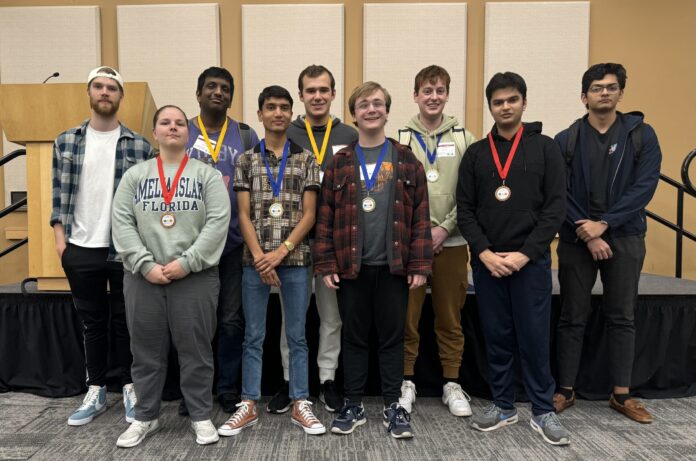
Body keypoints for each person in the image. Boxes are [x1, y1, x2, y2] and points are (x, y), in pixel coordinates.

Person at [456, 72, 570, 445]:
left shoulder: (546, 148)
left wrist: (524, 255)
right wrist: (485, 254)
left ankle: (542, 411)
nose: (505, 107)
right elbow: (466, 210)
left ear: (523, 102)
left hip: (530, 263)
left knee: (535, 337)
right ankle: (503, 406)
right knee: (498, 336)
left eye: (512, 100)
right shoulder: (476, 153)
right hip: (488, 264)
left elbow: (555, 209)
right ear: (490, 106)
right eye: (498, 101)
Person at [314, 81, 432, 439]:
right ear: (354, 114)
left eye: (378, 103)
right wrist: (326, 264)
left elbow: (421, 216)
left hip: (394, 266)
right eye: (363, 104)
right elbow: (325, 216)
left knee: (392, 338)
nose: (371, 109)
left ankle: (394, 405)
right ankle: (353, 404)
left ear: (386, 110)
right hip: (352, 267)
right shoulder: (340, 161)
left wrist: (420, 265)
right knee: (354, 337)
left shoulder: (406, 158)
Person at [112, 105, 230, 447]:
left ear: (188, 133)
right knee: (145, 352)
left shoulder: (205, 175)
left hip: (194, 277)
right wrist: (145, 263)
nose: (173, 127)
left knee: (196, 351)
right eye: (166, 122)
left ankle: (200, 416)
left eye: (180, 123)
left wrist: (188, 262)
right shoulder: (135, 176)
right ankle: (145, 417)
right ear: (155, 133)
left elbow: (218, 223)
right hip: (142, 278)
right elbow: (121, 222)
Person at [553, 63, 661, 423]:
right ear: (584, 96)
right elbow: (558, 192)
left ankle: (622, 395)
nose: (604, 93)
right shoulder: (566, 139)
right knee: (571, 316)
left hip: (625, 236)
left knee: (622, 316)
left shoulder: (642, 135)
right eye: (597, 88)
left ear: (620, 93)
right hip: (575, 237)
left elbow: (644, 188)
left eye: (611, 87)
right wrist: (586, 229)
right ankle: (565, 390)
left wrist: (605, 224)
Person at [217, 86, 325, 436]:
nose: (277, 113)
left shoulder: (306, 159)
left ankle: (300, 401)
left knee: (297, 335)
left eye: (283, 108)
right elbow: (243, 215)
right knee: (254, 335)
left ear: (291, 114)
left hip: (295, 260)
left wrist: (281, 252)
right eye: (270, 107)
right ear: (261, 115)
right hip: (254, 262)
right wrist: (262, 258)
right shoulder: (246, 160)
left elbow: (310, 214)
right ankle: (248, 403)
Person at [51, 66, 153, 426]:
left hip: (124, 248)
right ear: (89, 92)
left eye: (112, 88)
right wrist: (61, 242)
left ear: (121, 96)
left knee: (128, 322)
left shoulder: (140, 145)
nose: (105, 92)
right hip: (80, 246)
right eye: (99, 86)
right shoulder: (66, 141)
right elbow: (58, 193)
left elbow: (147, 200)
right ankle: (95, 389)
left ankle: (129, 386)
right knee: (92, 322)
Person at [263, 64, 358, 414]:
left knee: (331, 317)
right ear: (300, 95)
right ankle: (290, 381)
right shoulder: (286, 133)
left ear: (333, 94)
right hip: (295, 240)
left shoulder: (350, 133)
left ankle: (328, 379)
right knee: (293, 316)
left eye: (324, 90)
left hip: (334, 243)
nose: (317, 96)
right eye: (310, 91)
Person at [397, 65, 476, 417]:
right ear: (415, 95)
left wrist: (444, 228)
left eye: (440, 90)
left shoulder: (464, 138)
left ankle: (451, 383)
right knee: (406, 317)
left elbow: (471, 193)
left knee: (450, 316)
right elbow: (394, 195)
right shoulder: (400, 138)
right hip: (411, 245)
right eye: (426, 91)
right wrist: (421, 235)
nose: (433, 97)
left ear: (447, 94)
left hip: (453, 241)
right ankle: (406, 381)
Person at [182, 66, 259, 415]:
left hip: (232, 244)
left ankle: (228, 389)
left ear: (231, 96)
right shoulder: (182, 131)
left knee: (230, 320)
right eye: (210, 86)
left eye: (225, 88)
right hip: (190, 244)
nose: (218, 92)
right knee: (193, 321)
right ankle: (193, 392)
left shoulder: (244, 136)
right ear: (198, 94)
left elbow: (259, 187)